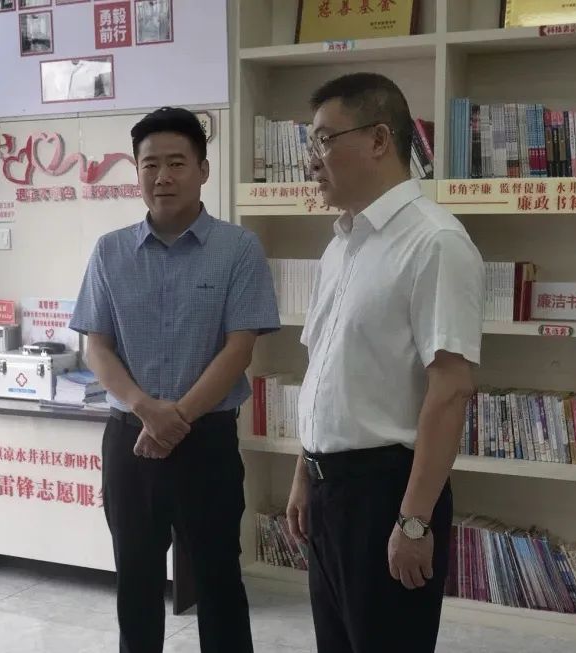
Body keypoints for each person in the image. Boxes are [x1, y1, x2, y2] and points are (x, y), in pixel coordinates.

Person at [70, 107, 280, 653]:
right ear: (137, 172)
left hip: (206, 441)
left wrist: (175, 419)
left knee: (218, 579)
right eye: (150, 164)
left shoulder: (238, 249)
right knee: (136, 580)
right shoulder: (110, 251)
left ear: (203, 170)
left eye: (177, 163)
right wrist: (147, 409)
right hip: (130, 441)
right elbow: (97, 347)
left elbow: (239, 348)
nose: (162, 176)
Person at [285, 73, 483, 653]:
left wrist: (414, 521)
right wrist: (304, 472)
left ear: (378, 140)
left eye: (325, 139)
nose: (312, 159)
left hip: (387, 494)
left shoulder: (435, 242)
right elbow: (325, 372)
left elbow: (450, 389)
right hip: (329, 492)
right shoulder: (340, 245)